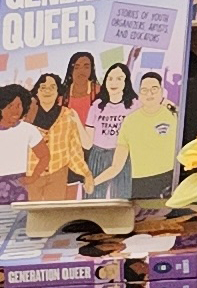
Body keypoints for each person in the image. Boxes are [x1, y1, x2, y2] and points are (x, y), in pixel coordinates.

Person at [109, 71, 179, 199]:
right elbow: (117, 164)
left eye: (154, 89)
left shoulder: (173, 114)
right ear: (139, 94)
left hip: (171, 176)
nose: (149, 94)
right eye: (144, 90)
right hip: (141, 181)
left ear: (162, 91)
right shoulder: (130, 120)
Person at [27, 71, 93, 200]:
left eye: (52, 87)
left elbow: (74, 149)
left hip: (58, 175)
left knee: (55, 210)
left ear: (58, 92)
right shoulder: (26, 116)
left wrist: (86, 173)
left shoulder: (67, 115)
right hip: (31, 174)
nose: (47, 91)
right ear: (37, 92)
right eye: (43, 87)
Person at [84, 62, 133, 200]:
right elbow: (87, 143)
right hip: (98, 155)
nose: (113, 82)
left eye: (119, 78)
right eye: (110, 78)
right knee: (93, 199)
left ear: (126, 82)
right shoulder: (97, 106)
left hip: (122, 155)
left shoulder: (134, 104)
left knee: (121, 198)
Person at [0, 86, 34, 205]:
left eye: (19, 106)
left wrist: (33, 177)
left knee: (19, 216)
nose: (15, 110)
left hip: (18, 186)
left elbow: (44, 155)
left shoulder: (27, 129)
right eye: (10, 106)